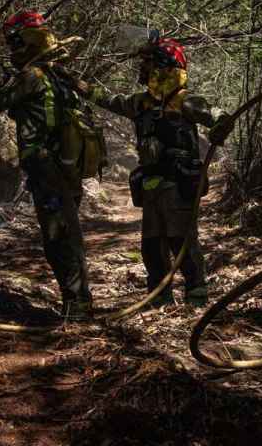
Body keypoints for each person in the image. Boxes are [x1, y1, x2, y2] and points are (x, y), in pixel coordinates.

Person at [70, 36, 233, 308]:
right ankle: (160, 299)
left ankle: (196, 296)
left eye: (148, 64)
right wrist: (80, 87)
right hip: (151, 187)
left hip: (179, 185)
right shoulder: (141, 103)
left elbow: (220, 116)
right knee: (152, 246)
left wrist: (220, 127)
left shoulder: (185, 101)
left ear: (164, 67)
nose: (143, 69)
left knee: (182, 242)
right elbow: (110, 100)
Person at [0, 10, 93, 319]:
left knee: (59, 238)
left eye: (13, 42)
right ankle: (78, 303)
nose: (10, 48)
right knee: (66, 233)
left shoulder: (32, 77)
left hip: (48, 169)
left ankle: (78, 307)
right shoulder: (55, 74)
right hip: (65, 167)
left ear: (25, 41)